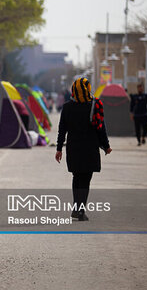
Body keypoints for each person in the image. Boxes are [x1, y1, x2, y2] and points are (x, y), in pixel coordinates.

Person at [55, 77, 112, 221]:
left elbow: (62, 130)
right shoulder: (95, 105)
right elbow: (101, 128)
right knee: (86, 179)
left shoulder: (67, 107)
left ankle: (77, 208)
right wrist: (106, 146)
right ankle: (80, 211)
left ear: (73, 90)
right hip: (89, 148)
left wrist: (59, 148)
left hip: (74, 148)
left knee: (76, 177)